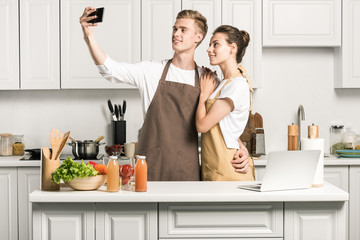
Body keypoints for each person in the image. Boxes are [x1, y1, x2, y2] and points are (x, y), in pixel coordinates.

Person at [79, 8, 250, 181]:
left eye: (183, 30)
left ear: (198, 38)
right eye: (175, 29)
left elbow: (225, 121)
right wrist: (89, 36)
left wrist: (242, 149)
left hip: (186, 169)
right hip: (149, 165)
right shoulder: (151, 71)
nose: (176, 33)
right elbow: (110, 70)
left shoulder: (207, 79)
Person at [196, 25, 255, 181]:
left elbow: (202, 126)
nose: (209, 49)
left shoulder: (237, 84)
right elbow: (228, 127)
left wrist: (203, 94)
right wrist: (242, 146)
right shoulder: (224, 83)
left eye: (215, 44)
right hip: (217, 164)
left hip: (228, 169)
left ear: (232, 48)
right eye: (210, 45)